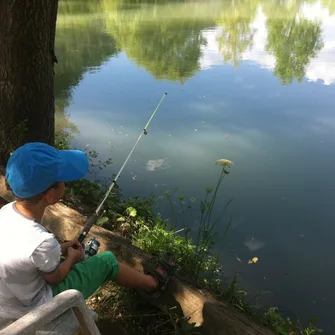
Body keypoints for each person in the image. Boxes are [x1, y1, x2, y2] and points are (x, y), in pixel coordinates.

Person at [0, 142, 175, 320]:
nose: (65, 184)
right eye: (62, 181)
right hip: (37, 308)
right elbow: (55, 278)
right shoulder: (42, 240)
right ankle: (152, 285)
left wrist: (59, 249)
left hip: (8, 303)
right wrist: (71, 258)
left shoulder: (5, 213)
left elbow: (26, 254)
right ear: (50, 195)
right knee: (107, 261)